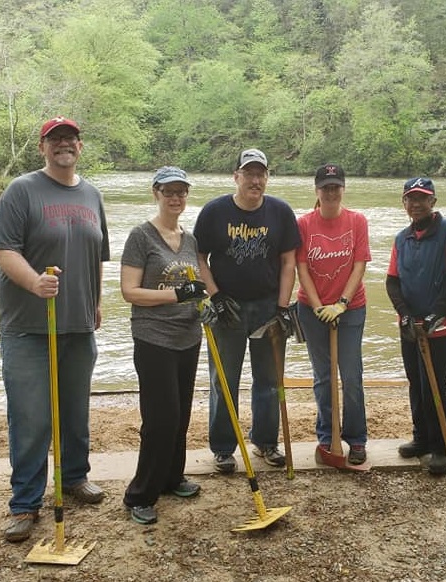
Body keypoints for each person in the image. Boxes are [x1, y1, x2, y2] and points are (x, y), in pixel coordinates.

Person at [0, 116, 110, 542]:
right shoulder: (21, 191)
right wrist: (34, 282)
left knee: (74, 410)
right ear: (42, 147)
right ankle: (25, 503)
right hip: (27, 327)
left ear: (80, 146)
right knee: (32, 416)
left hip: (77, 326)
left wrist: (95, 301)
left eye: (70, 139)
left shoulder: (92, 195)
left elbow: (97, 254)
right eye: (55, 139)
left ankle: (75, 478)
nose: (64, 145)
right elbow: (4, 251)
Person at [193, 148, 301, 473]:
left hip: (268, 305)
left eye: (261, 174)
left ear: (267, 177)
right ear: (236, 176)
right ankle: (224, 448)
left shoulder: (280, 212)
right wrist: (215, 296)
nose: (255, 180)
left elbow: (288, 262)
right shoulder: (214, 212)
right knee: (224, 379)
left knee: (269, 380)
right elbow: (198, 257)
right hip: (228, 307)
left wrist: (283, 307)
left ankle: (266, 442)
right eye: (249, 173)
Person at [120, 166, 209, 525]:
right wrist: (177, 294)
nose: (176, 198)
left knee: (182, 413)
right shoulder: (141, 236)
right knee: (161, 418)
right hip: (153, 338)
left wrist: (203, 305)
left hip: (188, 337)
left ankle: (173, 477)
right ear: (155, 192)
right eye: (169, 191)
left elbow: (198, 287)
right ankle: (139, 493)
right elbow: (130, 292)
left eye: (181, 192)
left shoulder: (189, 239)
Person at [385, 177, 446, 475]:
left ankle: (441, 447)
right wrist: (405, 315)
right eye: (410, 198)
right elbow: (392, 282)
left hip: (442, 325)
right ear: (404, 202)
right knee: (415, 382)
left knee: (435, 384)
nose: (416, 204)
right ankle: (421, 438)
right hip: (410, 325)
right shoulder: (402, 238)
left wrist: (436, 314)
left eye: (422, 198)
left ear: (433, 201)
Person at [296, 164, 371, 464]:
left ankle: (356, 438)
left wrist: (341, 302)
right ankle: (328, 437)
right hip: (311, 309)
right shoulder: (303, 224)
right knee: (323, 377)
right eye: (325, 187)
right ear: (316, 190)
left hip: (351, 309)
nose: (331, 192)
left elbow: (359, 264)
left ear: (343, 189)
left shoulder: (357, 221)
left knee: (351, 376)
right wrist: (317, 307)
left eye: (335, 186)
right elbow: (301, 267)